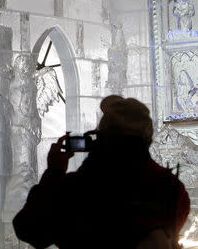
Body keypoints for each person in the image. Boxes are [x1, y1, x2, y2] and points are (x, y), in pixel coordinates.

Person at [13, 95, 190, 249]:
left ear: (100, 138)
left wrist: (54, 172)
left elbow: (29, 230)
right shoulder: (171, 189)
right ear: (148, 139)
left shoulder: (73, 191)